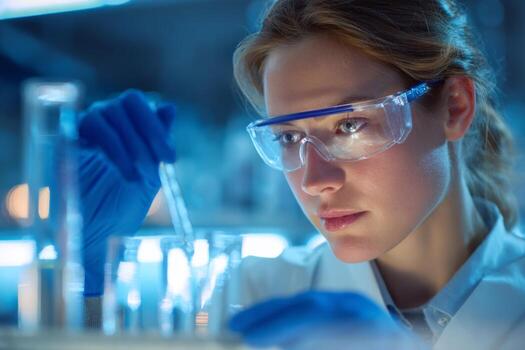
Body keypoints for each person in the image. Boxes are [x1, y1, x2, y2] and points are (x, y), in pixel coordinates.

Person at [80, 0, 525, 348]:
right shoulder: (255, 294)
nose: (314, 180)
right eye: (289, 138)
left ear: (454, 108)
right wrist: (85, 276)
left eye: (350, 125)